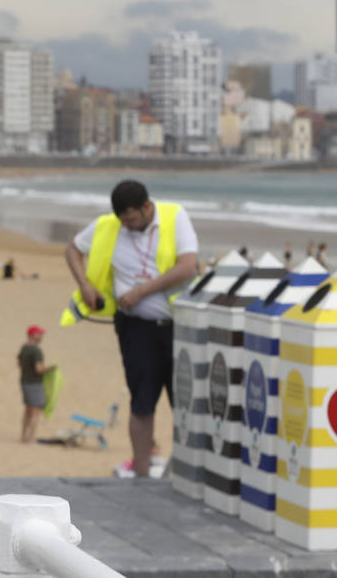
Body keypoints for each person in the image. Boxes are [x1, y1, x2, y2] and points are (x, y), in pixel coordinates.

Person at [61, 180, 198, 479]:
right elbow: (72, 250)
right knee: (141, 401)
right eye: (123, 221)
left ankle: (187, 471)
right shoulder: (108, 225)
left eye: (133, 220)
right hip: (135, 329)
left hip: (179, 327)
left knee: (185, 402)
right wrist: (84, 285)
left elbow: (188, 266)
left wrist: (142, 291)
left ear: (147, 208)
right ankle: (141, 472)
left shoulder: (175, 217)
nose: (128, 226)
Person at [18, 325, 56, 443]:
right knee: (35, 412)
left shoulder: (24, 348)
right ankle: (31, 438)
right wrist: (50, 369)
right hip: (34, 383)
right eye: (39, 334)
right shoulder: (36, 350)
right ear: (33, 335)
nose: (41, 336)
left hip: (24, 381)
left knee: (28, 411)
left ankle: (24, 436)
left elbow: (19, 363)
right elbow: (39, 369)